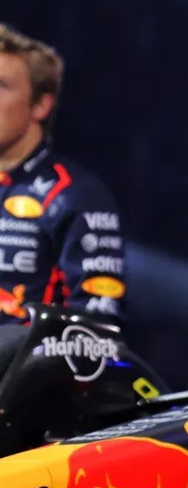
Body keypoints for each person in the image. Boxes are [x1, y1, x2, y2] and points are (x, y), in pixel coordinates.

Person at [0, 25, 126, 325]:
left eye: (1, 85)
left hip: (22, 369)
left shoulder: (75, 195)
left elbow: (96, 327)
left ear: (41, 105)